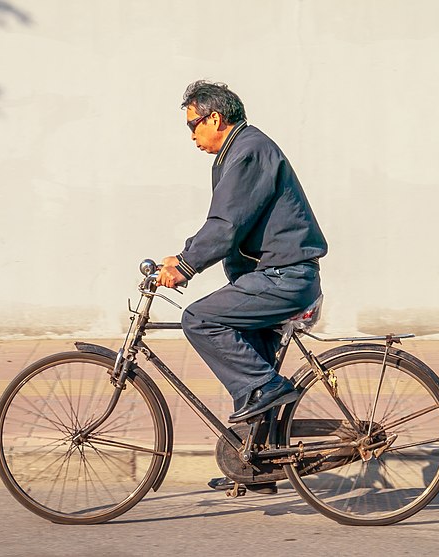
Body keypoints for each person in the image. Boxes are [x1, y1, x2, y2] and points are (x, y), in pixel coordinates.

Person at [156, 80, 328, 493]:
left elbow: (227, 224)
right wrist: (185, 256)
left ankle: (267, 387)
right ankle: (256, 465)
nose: (192, 136)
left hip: (284, 277)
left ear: (214, 118)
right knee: (249, 365)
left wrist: (185, 265)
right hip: (273, 276)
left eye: (192, 125)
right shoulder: (239, 150)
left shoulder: (248, 150)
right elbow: (231, 224)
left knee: (199, 319)